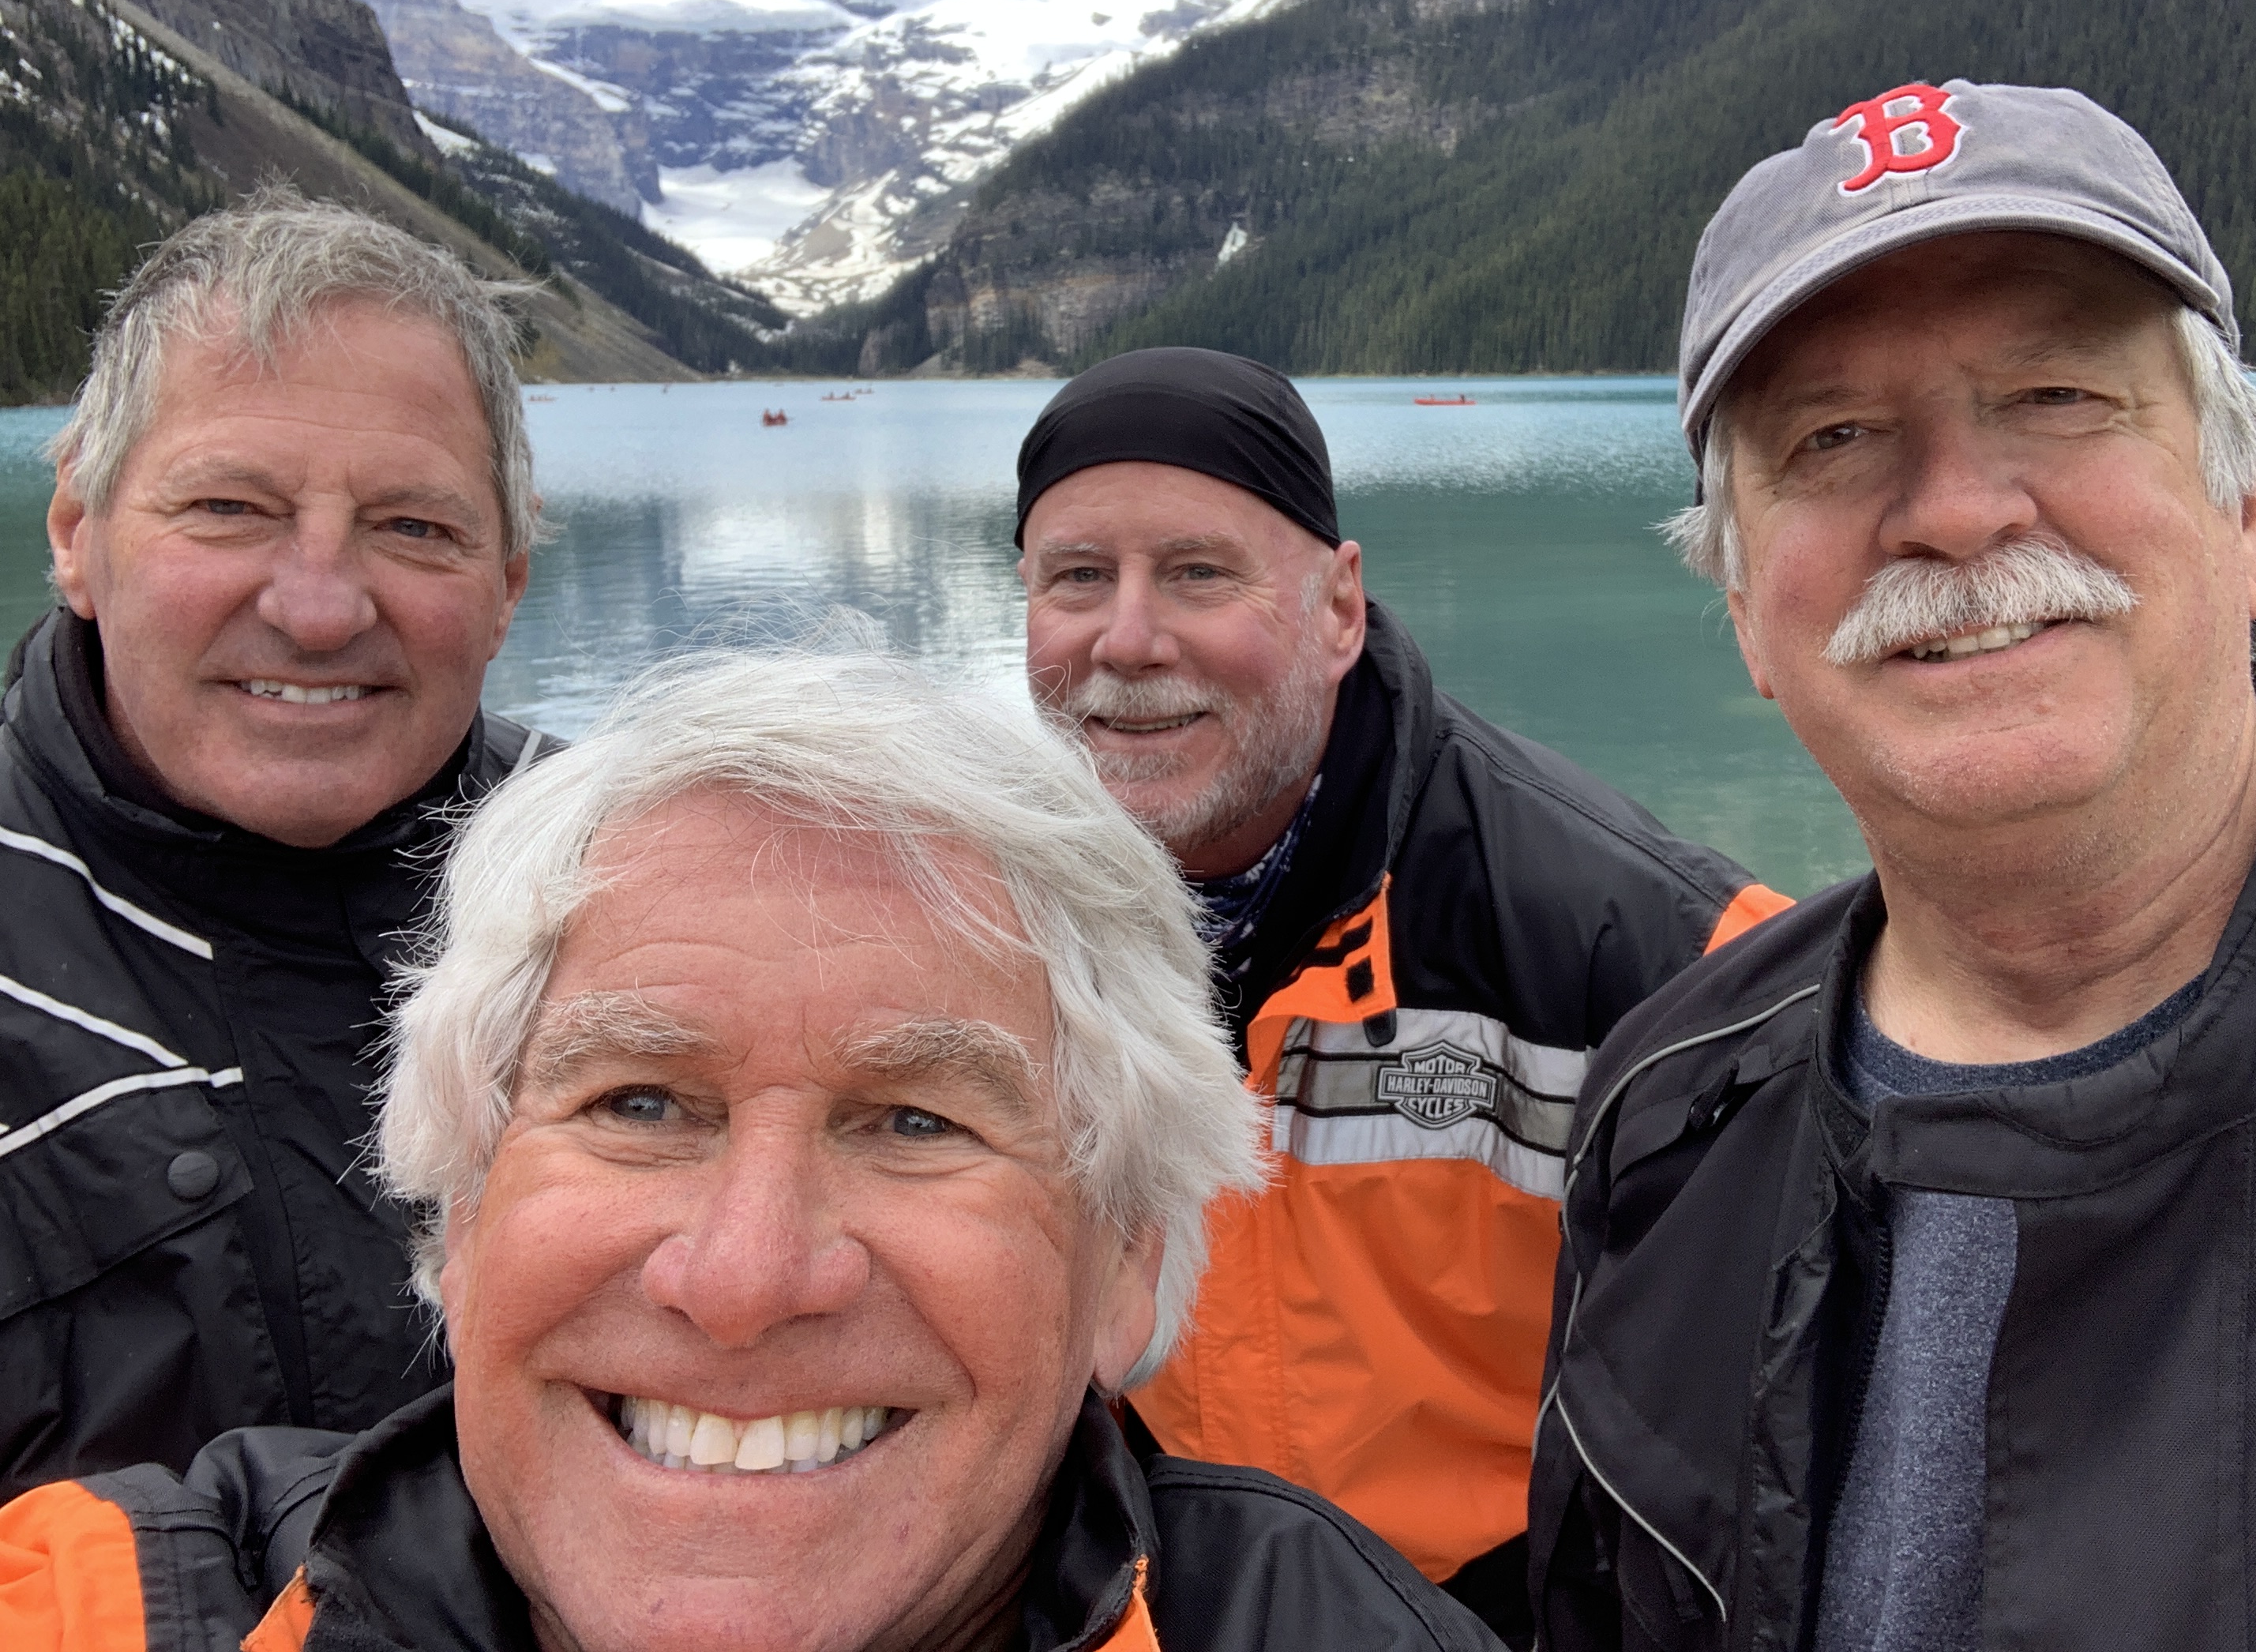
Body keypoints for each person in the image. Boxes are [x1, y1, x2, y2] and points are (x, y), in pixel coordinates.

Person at [0, 648, 1509, 1652]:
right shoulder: (116, 1609)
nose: (744, 1279)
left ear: (1128, 1261)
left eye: (917, 1123)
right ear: (459, 1214)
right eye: (640, 1105)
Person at [1529, 80, 2256, 1651]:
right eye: (1831, 438)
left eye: (2056, 395)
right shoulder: (1665, 1120)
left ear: (2245, 504)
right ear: (1743, 609)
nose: (1953, 511)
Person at [1015, 348, 1789, 1638]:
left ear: (1338, 607)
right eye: (1077, 578)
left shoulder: (1669, 957)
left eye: (1198, 574)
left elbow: (1772, 1437)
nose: (1128, 638)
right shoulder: (987, 924)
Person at [0, 190, 547, 1497]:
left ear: (508, 586)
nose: (317, 609)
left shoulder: (635, 881)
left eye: (414, 527)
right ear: (77, 535)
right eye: (228, 507)